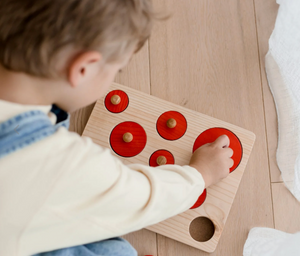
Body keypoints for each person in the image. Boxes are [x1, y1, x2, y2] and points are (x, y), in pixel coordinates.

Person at [0, 0, 233, 255]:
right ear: (83, 68)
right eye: (116, 70)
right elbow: (140, 198)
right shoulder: (62, 167)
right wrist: (201, 174)